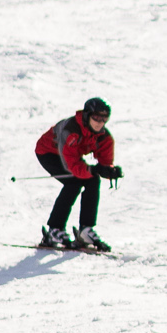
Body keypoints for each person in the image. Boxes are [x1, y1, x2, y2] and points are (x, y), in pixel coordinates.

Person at [34, 98, 121, 251]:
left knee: (93, 180)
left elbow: (104, 163)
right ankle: (55, 230)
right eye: (96, 117)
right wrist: (94, 170)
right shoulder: (71, 131)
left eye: (104, 118)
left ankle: (85, 230)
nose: (100, 122)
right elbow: (73, 166)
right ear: (87, 115)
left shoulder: (104, 136)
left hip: (69, 155)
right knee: (73, 182)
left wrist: (109, 170)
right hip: (49, 152)